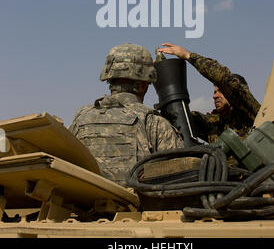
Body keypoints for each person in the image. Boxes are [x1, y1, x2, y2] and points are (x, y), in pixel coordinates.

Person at [69, 43, 183, 186]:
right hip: (134, 207)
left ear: (109, 78)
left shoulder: (80, 118)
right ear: (143, 85)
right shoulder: (153, 123)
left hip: (84, 205)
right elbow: (179, 177)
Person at [158, 43, 261, 143]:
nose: (215, 96)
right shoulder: (214, 124)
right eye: (215, 92)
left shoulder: (249, 112)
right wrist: (163, 75)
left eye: (221, 91)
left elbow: (224, 79)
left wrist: (189, 56)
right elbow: (181, 117)